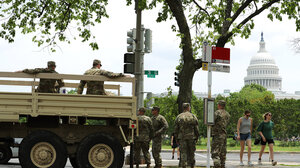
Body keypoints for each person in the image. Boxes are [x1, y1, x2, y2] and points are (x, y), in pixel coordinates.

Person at [174, 103, 199, 168]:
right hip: (191, 137)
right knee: (191, 153)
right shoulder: (193, 116)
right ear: (188, 108)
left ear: (183, 108)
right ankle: (192, 166)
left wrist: (176, 138)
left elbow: (176, 129)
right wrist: (197, 137)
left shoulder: (179, 117)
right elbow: (196, 129)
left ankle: (184, 165)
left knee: (183, 153)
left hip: (182, 137)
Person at [211, 100, 230, 168]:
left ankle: (217, 165)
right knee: (223, 152)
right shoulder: (227, 114)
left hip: (217, 135)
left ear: (219, 105)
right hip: (224, 134)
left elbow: (211, 121)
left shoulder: (217, 113)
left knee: (215, 152)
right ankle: (222, 165)